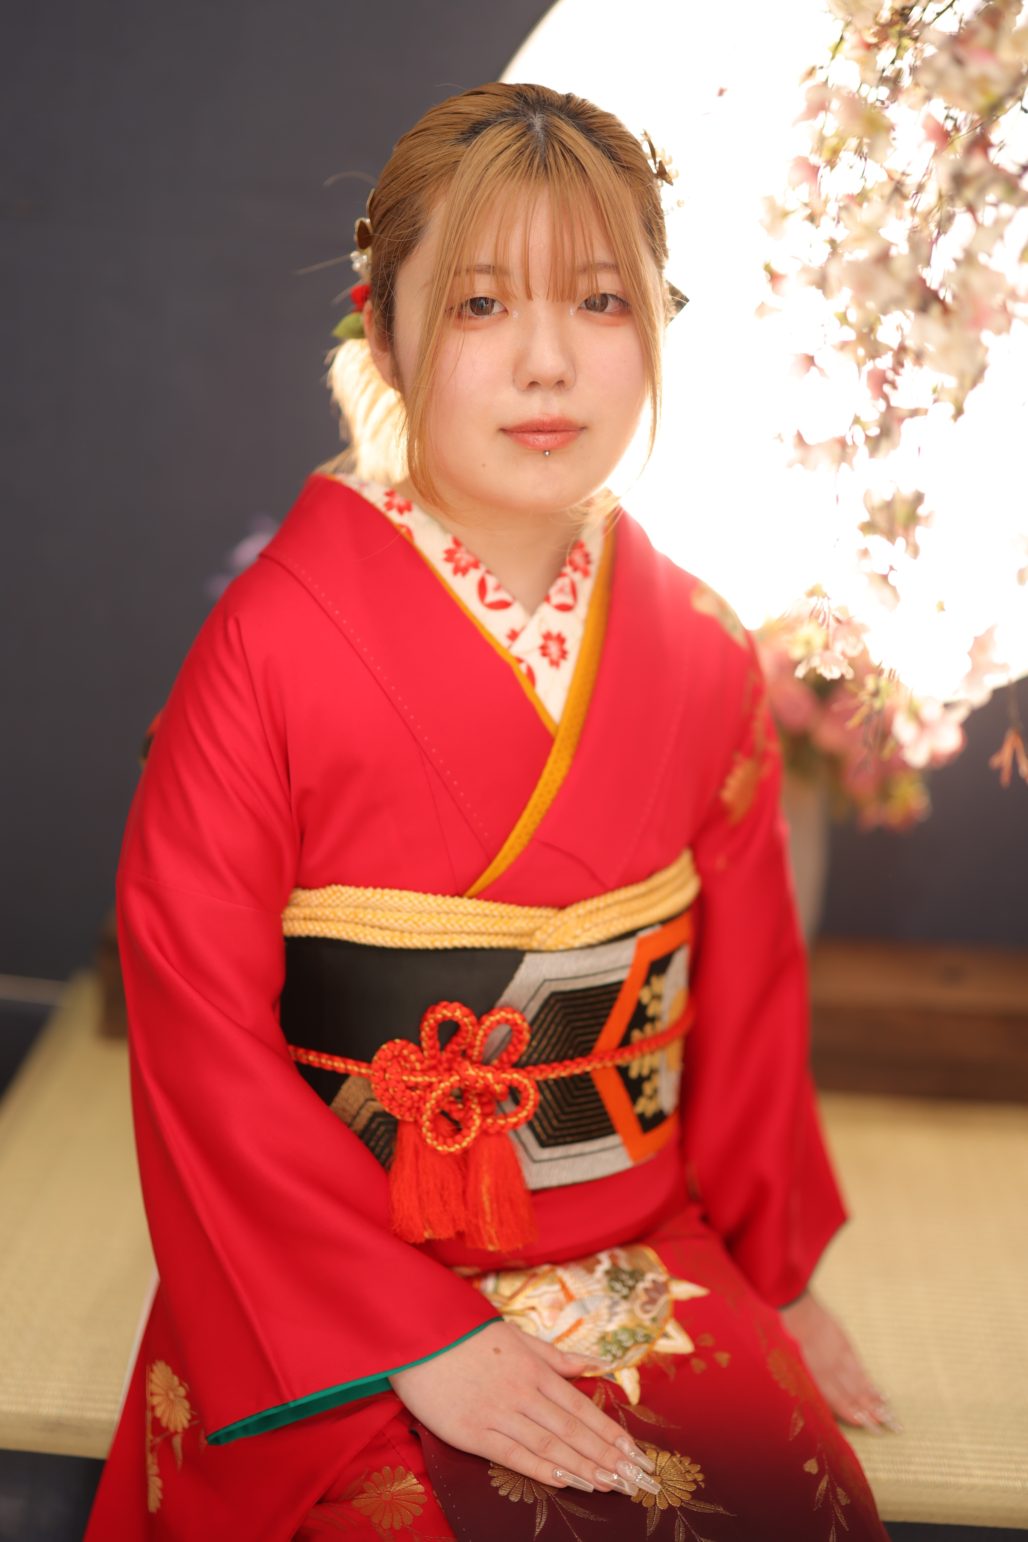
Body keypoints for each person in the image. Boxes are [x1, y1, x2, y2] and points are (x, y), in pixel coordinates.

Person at [86, 82, 894, 1541]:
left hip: (639, 1248)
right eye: (477, 305)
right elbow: (193, 1025)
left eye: (600, 300)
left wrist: (778, 1272)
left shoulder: (703, 649)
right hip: (327, 1288)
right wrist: (416, 1332)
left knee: (800, 1505)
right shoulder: (267, 649)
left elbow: (749, 1000)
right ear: (384, 335)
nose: (546, 361)